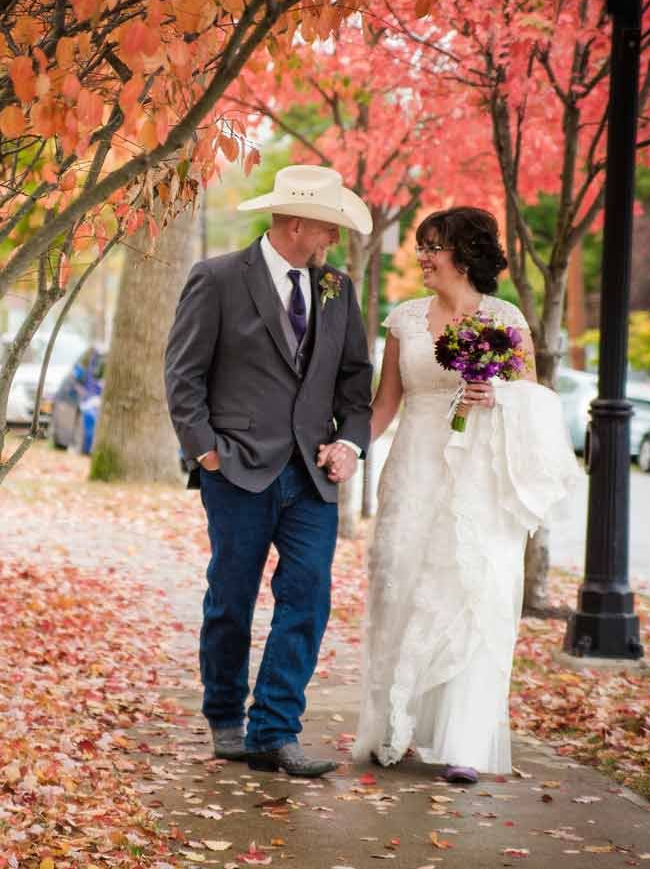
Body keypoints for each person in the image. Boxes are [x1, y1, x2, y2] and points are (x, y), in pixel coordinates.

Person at [347, 206, 581, 784]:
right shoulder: (403, 320)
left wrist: (495, 396)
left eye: (434, 247)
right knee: (401, 582)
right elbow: (385, 404)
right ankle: (396, 727)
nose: (423, 257)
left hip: (478, 477)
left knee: (472, 591)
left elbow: (534, 401)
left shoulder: (505, 318)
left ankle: (462, 741)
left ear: (466, 254)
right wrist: (348, 449)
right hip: (414, 471)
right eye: (422, 245)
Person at [165, 165, 374, 778]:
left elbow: (355, 383)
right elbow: (184, 375)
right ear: (299, 221)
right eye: (327, 228)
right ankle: (225, 716)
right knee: (231, 598)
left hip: (312, 478)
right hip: (237, 471)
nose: (332, 241)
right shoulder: (219, 278)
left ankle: (275, 732)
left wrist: (351, 445)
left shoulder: (337, 288)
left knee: (307, 597)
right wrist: (206, 452)